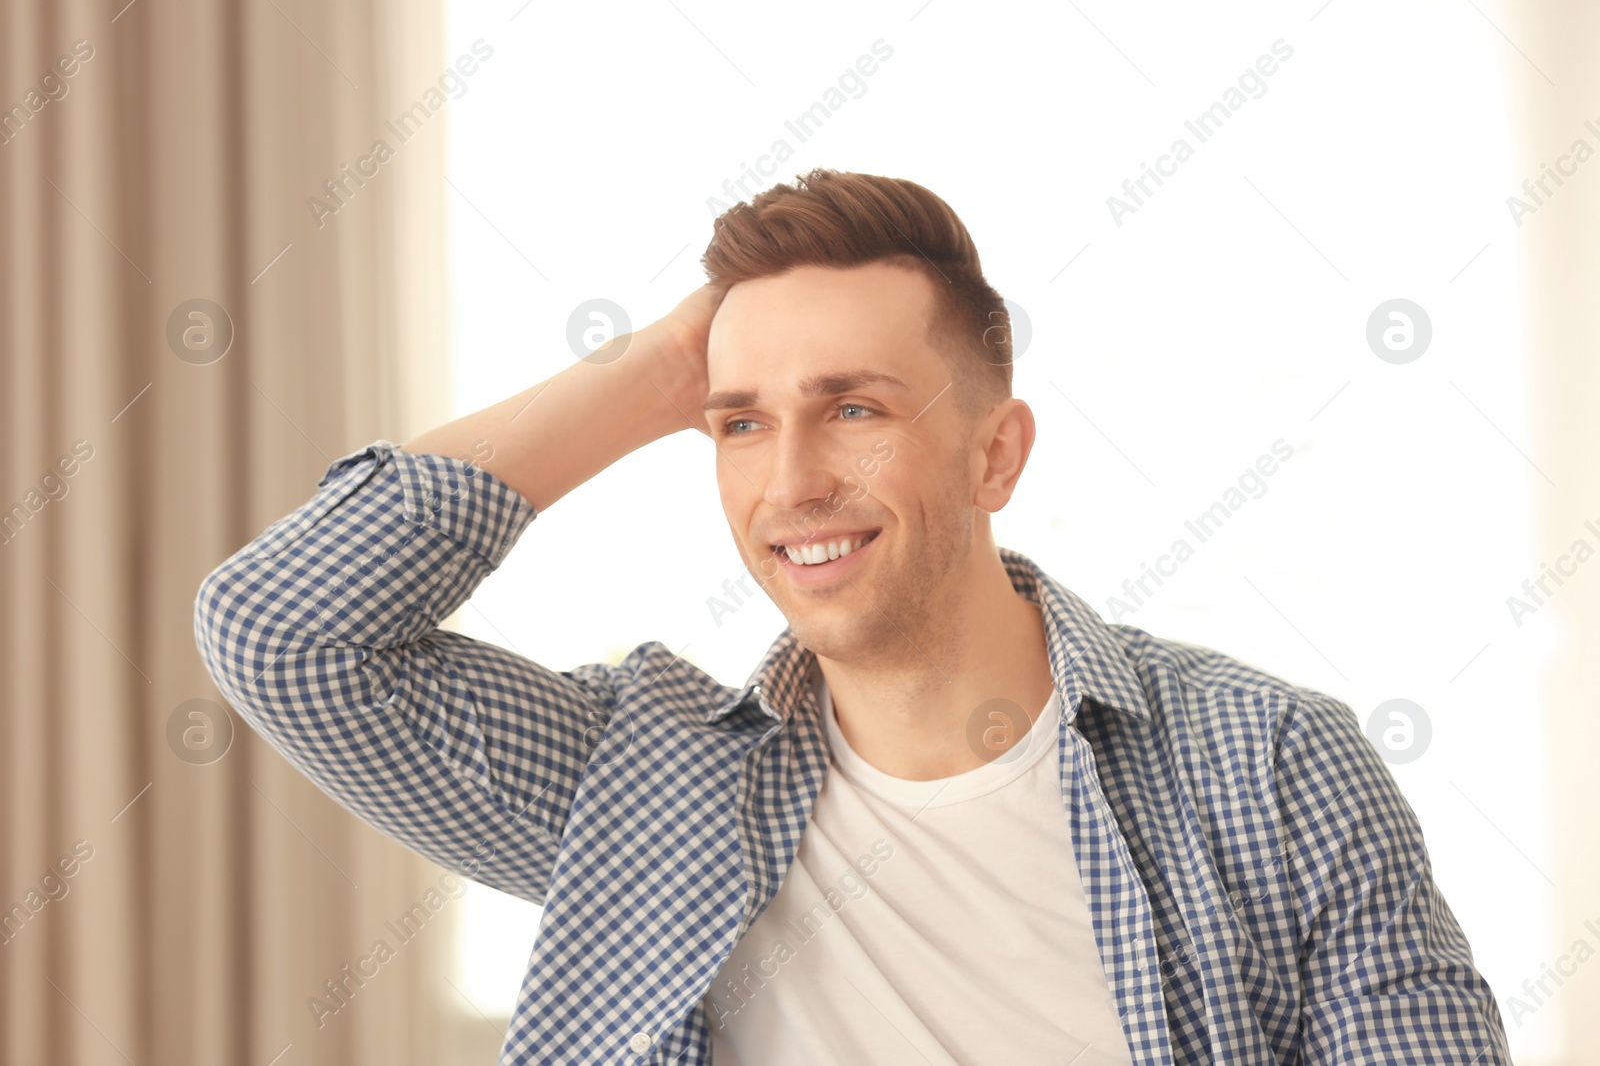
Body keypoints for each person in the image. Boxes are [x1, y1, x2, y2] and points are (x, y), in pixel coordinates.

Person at [193, 168, 1511, 1066]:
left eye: (856, 408)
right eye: (741, 423)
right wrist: (657, 370)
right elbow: (284, 632)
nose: (792, 481)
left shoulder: (1268, 769)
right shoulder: (643, 793)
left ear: (996, 458)